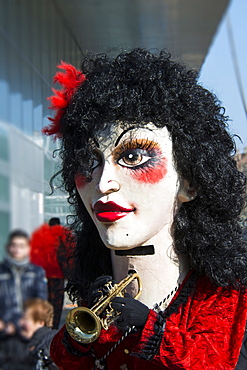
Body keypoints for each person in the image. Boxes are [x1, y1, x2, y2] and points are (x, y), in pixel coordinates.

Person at [42, 49, 247, 369]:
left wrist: (150, 328)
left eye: (133, 157)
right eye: (88, 162)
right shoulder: (98, 278)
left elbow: (213, 361)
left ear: (190, 182)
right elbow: (65, 358)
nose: (104, 182)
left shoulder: (221, 291)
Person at [0, 229, 48, 338]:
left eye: (21, 246)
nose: (17, 250)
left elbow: (40, 300)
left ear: (28, 248)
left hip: (29, 329)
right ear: (8, 247)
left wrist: (31, 322)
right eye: (14, 245)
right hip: (5, 329)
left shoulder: (36, 272)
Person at [30, 218, 74, 329]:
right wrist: (69, 274)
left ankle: (42, 324)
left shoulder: (41, 235)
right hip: (57, 276)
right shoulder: (63, 234)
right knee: (56, 303)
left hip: (42, 275)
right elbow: (67, 255)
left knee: (43, 301)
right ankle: (53, 326)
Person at [0, 298, 58, 369]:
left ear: (40, 322)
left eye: (25, 319)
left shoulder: (54, 340)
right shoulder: (18, 342)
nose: (20, 323)